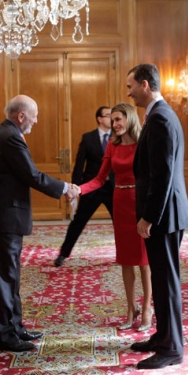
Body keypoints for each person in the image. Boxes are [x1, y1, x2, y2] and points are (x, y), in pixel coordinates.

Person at [0, 95, 79, 353]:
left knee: (10, 276)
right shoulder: (9, 136)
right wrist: (65, 188)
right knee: (3, 278)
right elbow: (32, 175)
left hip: (5, 218)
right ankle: (5, 336)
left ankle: (15, 327)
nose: (37, 120)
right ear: (21, 115)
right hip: (3, 219)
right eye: (34, 115)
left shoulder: (8, 133)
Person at [128, 63, 188, 370]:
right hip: (165, 215)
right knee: (163, 279)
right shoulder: (157, 116)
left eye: (131, 86)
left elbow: (162, 175)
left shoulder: (161, 118)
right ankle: (163, 336)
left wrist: (148, 217)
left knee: (166, 283)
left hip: (164, 217)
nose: (128, 93)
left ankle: (172, 348)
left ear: (144, 84)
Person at [77, 102, 153, 331]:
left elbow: (151, 178)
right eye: (113, 120)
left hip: (139, 203)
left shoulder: (143, 144)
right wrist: (78, 189)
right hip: (119, 203)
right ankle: (131, 308)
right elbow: (100, 179)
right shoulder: (112, 145)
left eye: (119, 119)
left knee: (143, 261)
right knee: (126, 259)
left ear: (130, 119)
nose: (116, 124)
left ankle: (147, 307)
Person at [55, 106, 114, 267]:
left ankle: (126, 254)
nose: (112, 119)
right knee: (78, 222)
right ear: (99, 118)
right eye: (108, 115)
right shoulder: (88, 138)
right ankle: (63, 254)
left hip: (113, 189)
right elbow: (79, 165)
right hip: (92, 188)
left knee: (121, 223)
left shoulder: (118, 137)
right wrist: (74, 188)